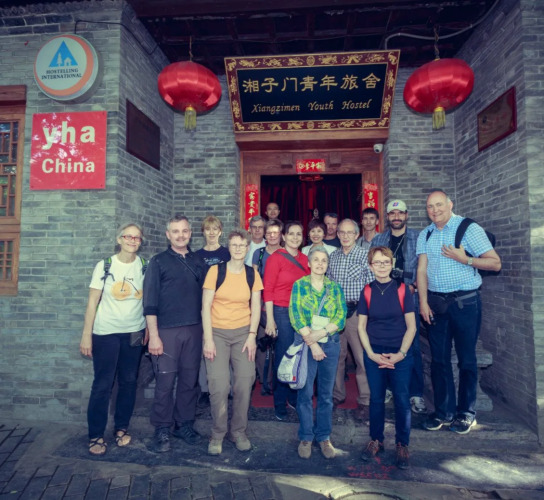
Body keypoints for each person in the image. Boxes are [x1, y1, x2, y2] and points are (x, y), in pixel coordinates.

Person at [417, 190, 501, 434]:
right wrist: (423, 302)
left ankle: (466, 413)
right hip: (436, 305)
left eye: (439, 205)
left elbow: (495, 263)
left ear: (450, 204)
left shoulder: (468, 228)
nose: (434, 210)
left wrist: (466, 260)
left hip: (465, 303)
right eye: (430, 206)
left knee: (467, 359)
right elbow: (421, 270)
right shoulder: (426, 233)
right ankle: (444, 412)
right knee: (439, 360)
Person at [80, 223, 147, 456]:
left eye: (137, 238)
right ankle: (96, 434)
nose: (132, 240)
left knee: (129, 381)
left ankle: (121, 428)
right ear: (119, 239)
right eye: (128, 236)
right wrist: (86, 335)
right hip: (106, 332)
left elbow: (149, 300)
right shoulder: (105, 265)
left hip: (135, 332)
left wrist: (149, 327)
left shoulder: (145, 266)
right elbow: (92, 302)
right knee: (103, 384)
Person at [143, 214, 208, 453]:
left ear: (190, 233)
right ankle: (162, 428)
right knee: (165, 381)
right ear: (168, 234)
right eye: (176, 231)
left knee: (189, 381)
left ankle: (184, 424)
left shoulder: (198, 261)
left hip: (194, 329)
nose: (181, 235)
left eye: (185, 231)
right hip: (166, 331)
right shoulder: (158, 262)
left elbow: (207, 298)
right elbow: (149, 302)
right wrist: (154, 335)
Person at [202, 230, 263, 455]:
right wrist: (208, 339)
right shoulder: (215, 271)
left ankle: (238, 431)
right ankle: (217, 433)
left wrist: (252, 336)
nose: (238, 248)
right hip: (217, 333)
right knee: (219, 385)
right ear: (229, 248)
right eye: (234, 245)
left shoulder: (252, 274)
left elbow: (256, 306)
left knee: (244, 382)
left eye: (242, 245)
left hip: (243, 334)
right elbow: (205, 306)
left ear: (247, 248)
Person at [358, 246, 416, 469]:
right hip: (374, 352)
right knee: (376, 399)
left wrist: (400, 354)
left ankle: (402, 444)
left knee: (402, 399)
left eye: (385, 262)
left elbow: (411, 327)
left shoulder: (403, 290)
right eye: (377, 262)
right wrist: (371, 354)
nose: (381, 266)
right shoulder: (367, 291)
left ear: (392, 264)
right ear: (370, 266)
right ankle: (376, 440)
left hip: (400, 353)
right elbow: (361, 327)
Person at [289, 246, 347, 459]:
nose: (320, 264)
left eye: (324, 260)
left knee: (326, 394)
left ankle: (324, 437)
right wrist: (313, 343)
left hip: (330, 343)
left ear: (327, 264)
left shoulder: (334, 287)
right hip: (306, 344)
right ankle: (306, 436)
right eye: (316, 260)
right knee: (304, 393)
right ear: (309, 263)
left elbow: (341, 316)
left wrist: (321, 334)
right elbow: (295, 316)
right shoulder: (299, 285)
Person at [370, 200, 427, 414]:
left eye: (400, 213)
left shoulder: (418, 237)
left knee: (412, 346)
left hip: (410, 297)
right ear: (387, 217)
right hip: (384, 299)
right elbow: (372, 267)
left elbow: (425, 267)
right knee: (385, 343)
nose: (396, 217)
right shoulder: (379, 239)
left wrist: (414, 286)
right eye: (392, 213)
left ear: (406, 215)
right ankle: (388, 388)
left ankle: (415, 393)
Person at [327, 218, 373, 421]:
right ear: (337, 235)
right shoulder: (333, 256)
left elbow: (371, 287)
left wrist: (367, 313)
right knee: (336, 356)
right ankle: (337, 394)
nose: (345, 236)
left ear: (356, 234)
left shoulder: (365, 255)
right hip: (336, 314)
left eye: (349, 233)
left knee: (362, 358)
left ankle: (366, 400)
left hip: (357, 313)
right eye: (342, 233)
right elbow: (329, 285)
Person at [263, 221, 310, 421]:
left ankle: (293, 396)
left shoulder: (305, 259)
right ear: (283, 236)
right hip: (281, 312)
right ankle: (279, 402)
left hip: (301, 314)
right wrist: (270, 320)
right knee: (284, 357)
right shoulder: (276, 258)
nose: (295, 237)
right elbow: (268, 290)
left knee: (299, 355)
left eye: (299, 234)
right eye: (291, 233)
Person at [195, 216, 230, 407]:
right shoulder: (196, 256)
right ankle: (205, 388)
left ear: (220, 231)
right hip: (203, 307)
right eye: (208, 229)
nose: (211, 232)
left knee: (225, 347)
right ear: (203, 232)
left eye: (215, 229)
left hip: (224, 308)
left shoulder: (227, 254)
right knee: (206, 346)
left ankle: (226, 387)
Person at [253, 219, 283, 396]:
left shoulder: (286, 253)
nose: (272, 236)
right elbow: (255, 279)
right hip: (262, 303)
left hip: (281, 304)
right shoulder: (259, 253)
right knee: (262, 344)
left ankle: (280, 380)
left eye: (275, 233)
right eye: (269, 233)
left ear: (281, 235)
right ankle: (265, 380)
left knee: (280, 344)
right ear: (265, 235)